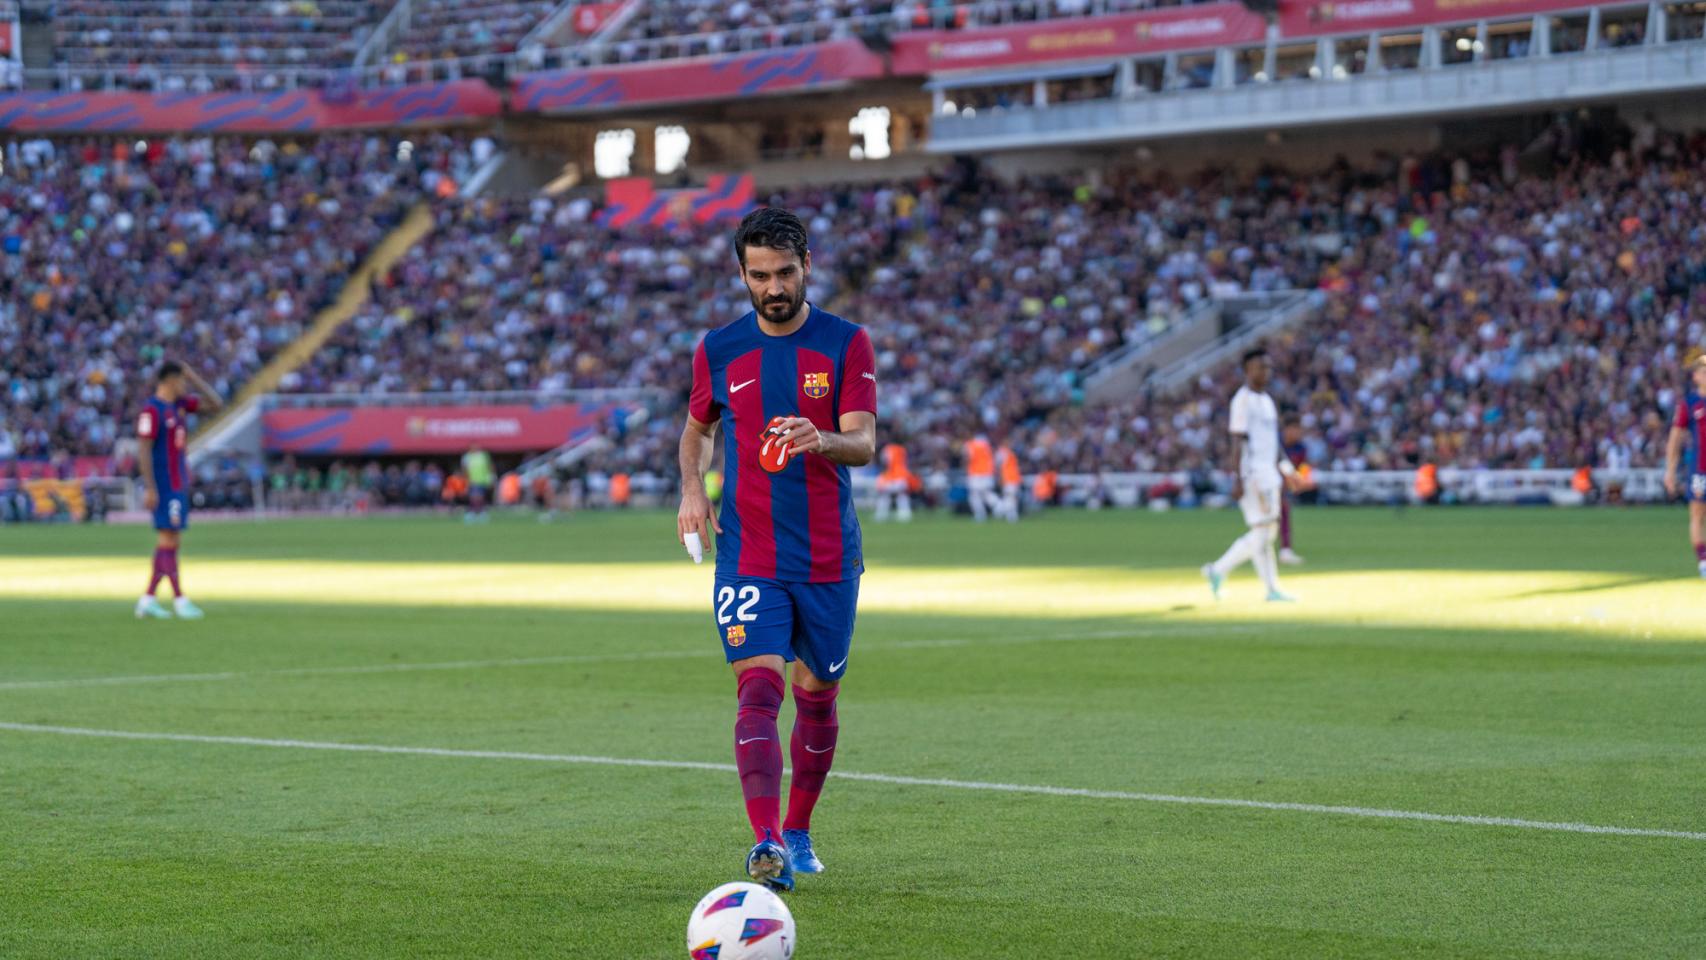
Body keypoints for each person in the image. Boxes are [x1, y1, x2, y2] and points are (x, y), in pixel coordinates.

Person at [676, 207, 877, 893]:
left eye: (784, 272)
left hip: (827, 559)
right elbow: (697, 430)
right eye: (759, 275)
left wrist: (822, 438)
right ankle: (765, 843)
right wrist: (693, 492)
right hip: (749, 553)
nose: (773, 287)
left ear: (807, 266)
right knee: (757, 690)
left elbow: (865, 441)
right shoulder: (719, 348)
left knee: (816, 695)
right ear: (742, 274)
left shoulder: (847, 343)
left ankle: (798, 828)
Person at [1202, 348, 1299, 602]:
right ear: (1247, 370)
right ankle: (1265, 587)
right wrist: (1237, 477)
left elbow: (1273, 442)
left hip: (1270, 473)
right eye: (1260, 367)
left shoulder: (1266, 400)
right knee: (1263, 531)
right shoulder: (1242, 401)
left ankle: (1222, 572)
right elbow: (1237, 441)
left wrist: (1287, 469)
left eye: (1268, 367)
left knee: (1265, 533)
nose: (1266, 372)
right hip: (1254, 474)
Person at [134, 360, 224, 619]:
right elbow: (143, 449)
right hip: (163, 484)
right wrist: (150, 487)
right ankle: (179, 599)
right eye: (183, 380)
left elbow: (216, 404)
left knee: (172, 540)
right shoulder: (152, 410)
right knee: (168, 539)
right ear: (171, 380)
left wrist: (194, 376)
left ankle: (148, 599)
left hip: (177, 482)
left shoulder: (179, 406)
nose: (185, 385)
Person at [1662, 352, 1706, 578]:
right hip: (1700, 469)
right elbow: (1675, 439)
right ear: (1696, 376)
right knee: (1697, 515)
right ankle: (1703, 562)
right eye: (1703, 371)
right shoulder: (1689, 404)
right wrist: (1670, 470)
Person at [1278, 418, 1307, 565]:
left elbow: (1302, 468)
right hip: (1269, 483)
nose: (1298, 433)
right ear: (1287, 429)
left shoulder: (1300, 447)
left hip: (1285, 485)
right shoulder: (1276, 444)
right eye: (1296, 429)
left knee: (1283, 514)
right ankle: (1284, 551)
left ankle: (1285, 550)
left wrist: (1299, 481)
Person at [873, 441, 912, 522]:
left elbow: (884, 462)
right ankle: (905, 515)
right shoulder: (902, 449)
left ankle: (881, 515)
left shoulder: (887, 449)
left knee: (885, 495)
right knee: (901, 495)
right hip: (902, 477)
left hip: (892, 477)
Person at [963, 433, 996, 521]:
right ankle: (1000, 507)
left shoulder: (970, 445)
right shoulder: (987, 447)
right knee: (986, 494)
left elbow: (968, 457)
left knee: (974, 495)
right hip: (987, 473)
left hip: (975, 473)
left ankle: (980, 514)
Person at [462, 445, 495, 522]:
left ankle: (481, 513)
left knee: (480, 497)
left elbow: (489, 466)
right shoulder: (467, 457)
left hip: (482, 480)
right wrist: (466, 479)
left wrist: (491, 477)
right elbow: (464, 469)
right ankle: (472, 513)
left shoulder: (484, 456)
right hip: (472, 480)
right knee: (473, 497)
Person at [996, 439, 1022, 523]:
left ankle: (1011, 516)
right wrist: (1000, 477)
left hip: (1012, 478)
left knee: (1010, 497)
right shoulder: (1004, 452)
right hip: (1009, 478)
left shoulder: (1008, 453)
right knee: (1011, 497)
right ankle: (999, 510)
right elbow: (999, 465)